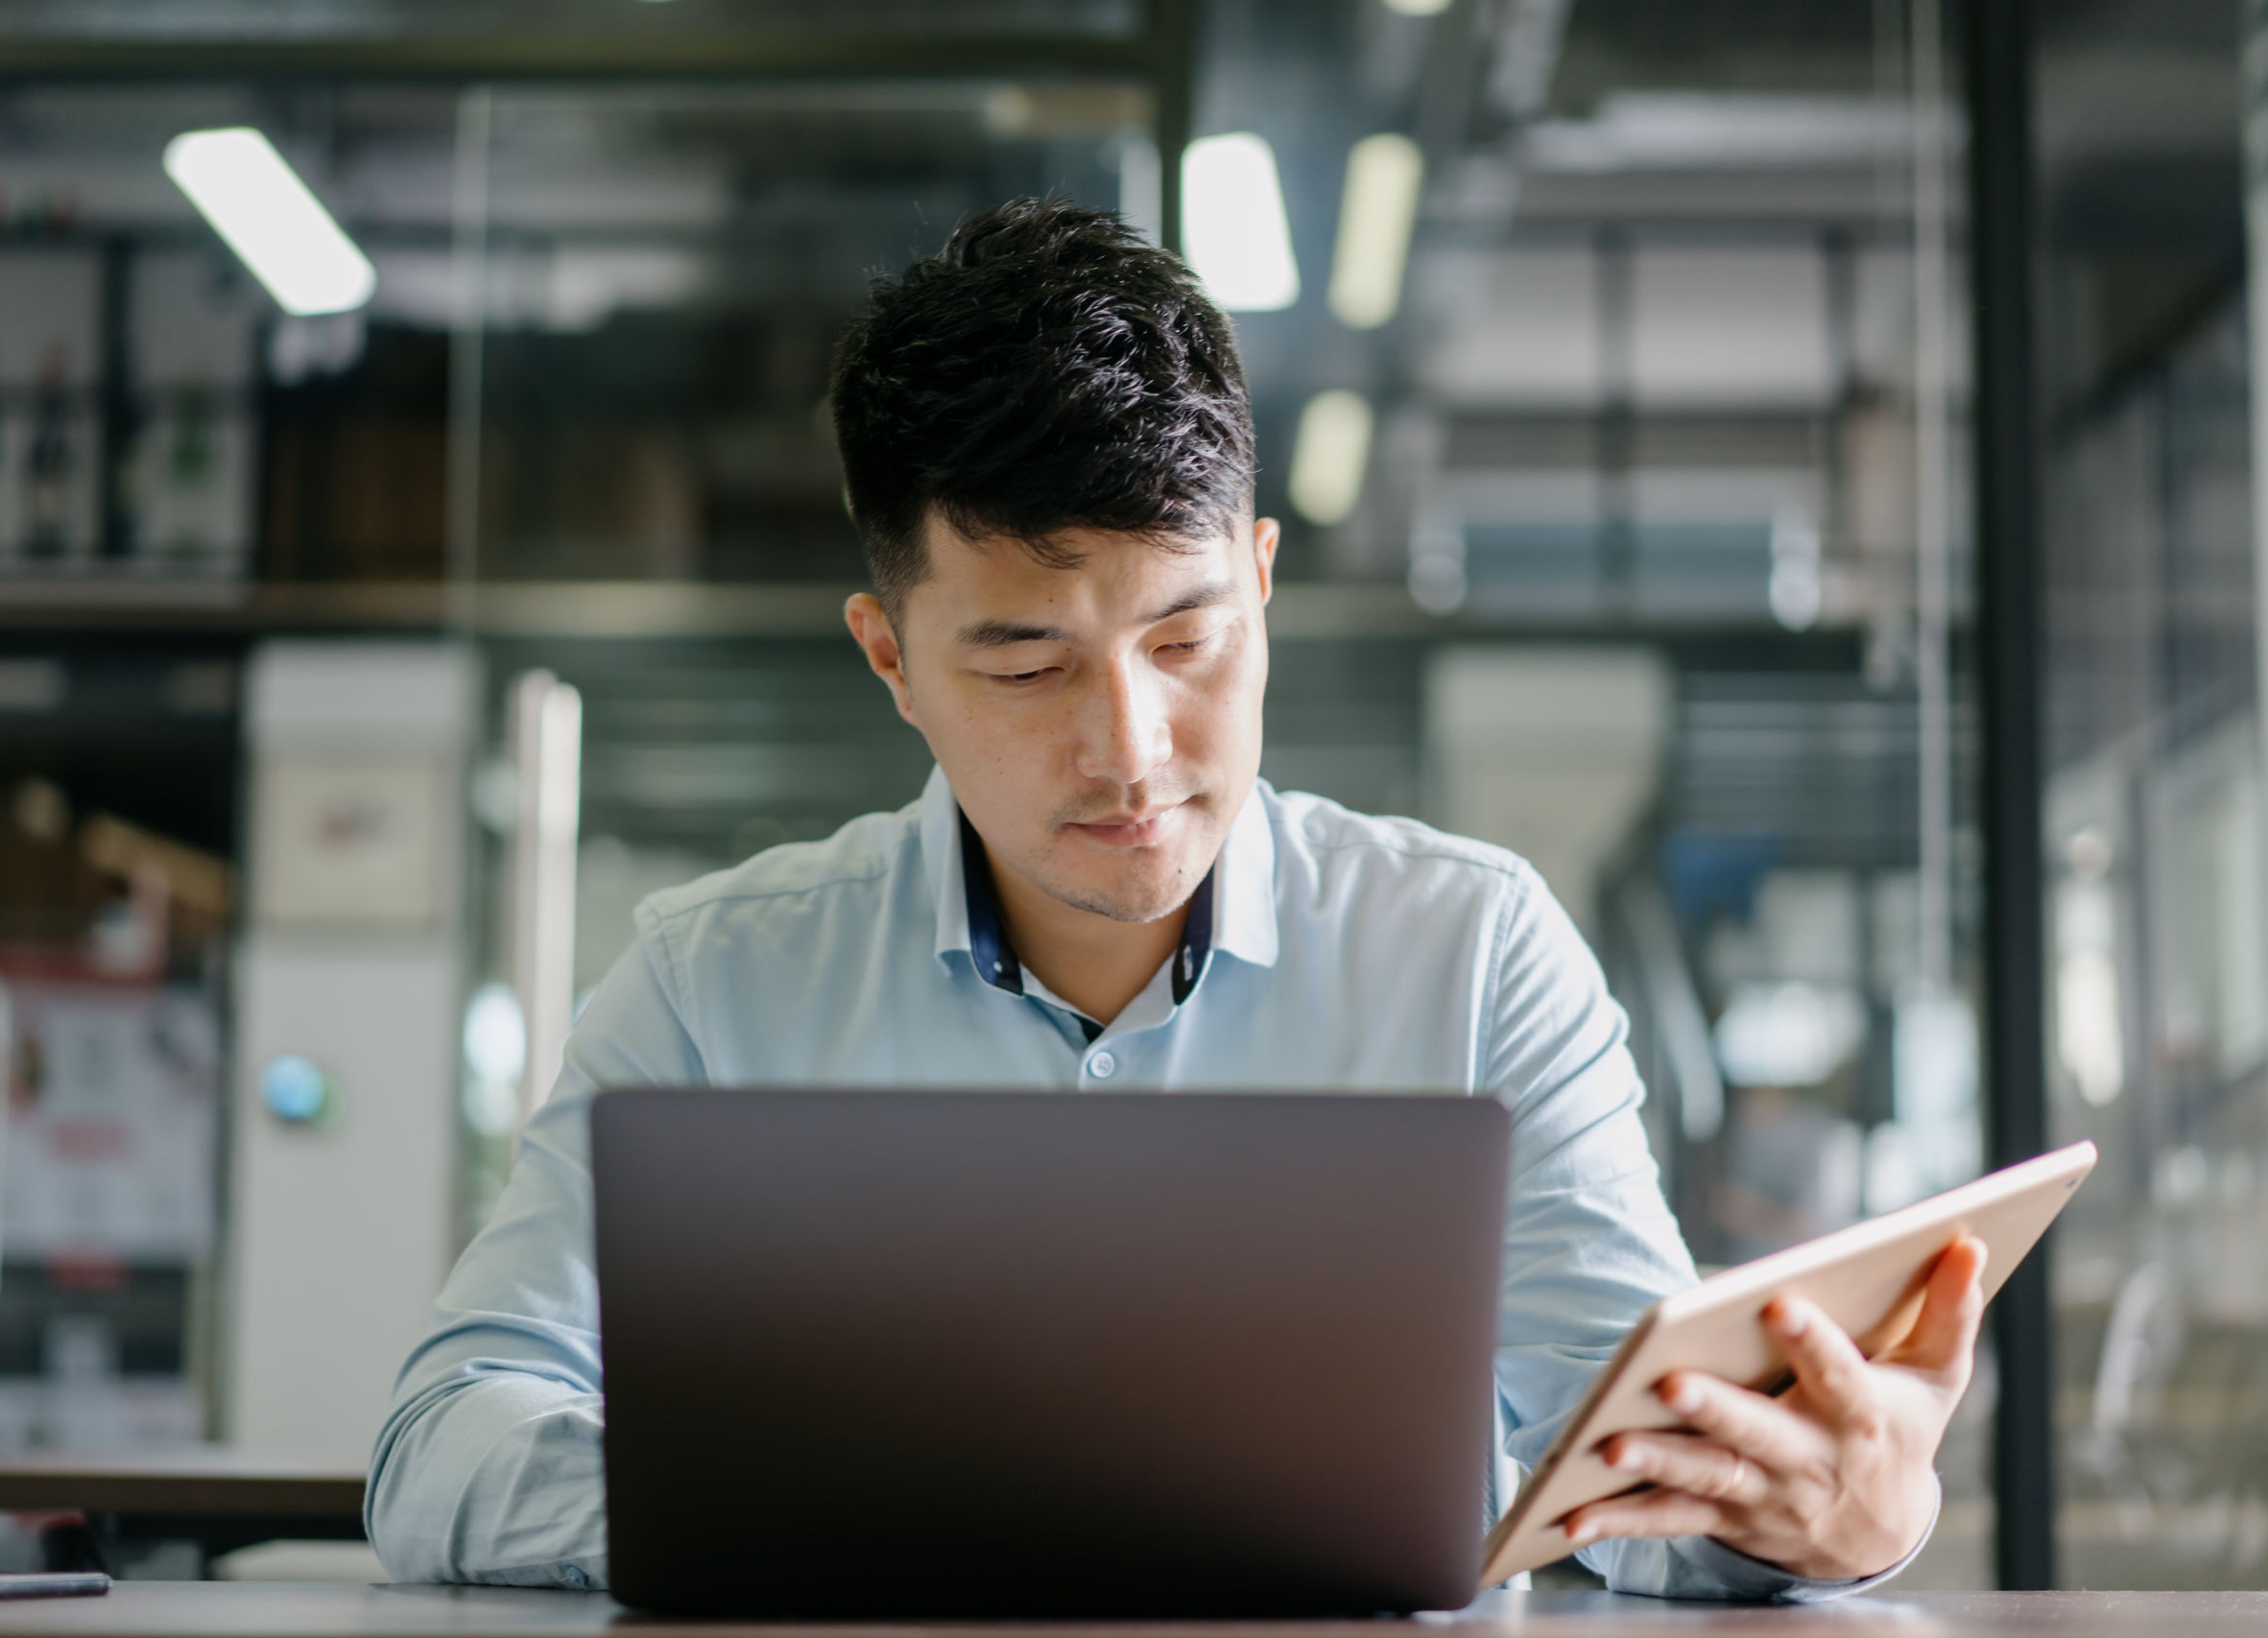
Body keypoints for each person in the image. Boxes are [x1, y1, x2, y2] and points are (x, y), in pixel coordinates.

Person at [366, 199, 1985, 1600]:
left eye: (1189, 641)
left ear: (1264, 582)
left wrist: (1848, 1512)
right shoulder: (717, 990)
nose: (1132, 751)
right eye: (1026, 659)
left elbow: (1639, 1482)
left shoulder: (1473, 957)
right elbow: (443, 1442)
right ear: (891, 659)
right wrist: (844, 1508)